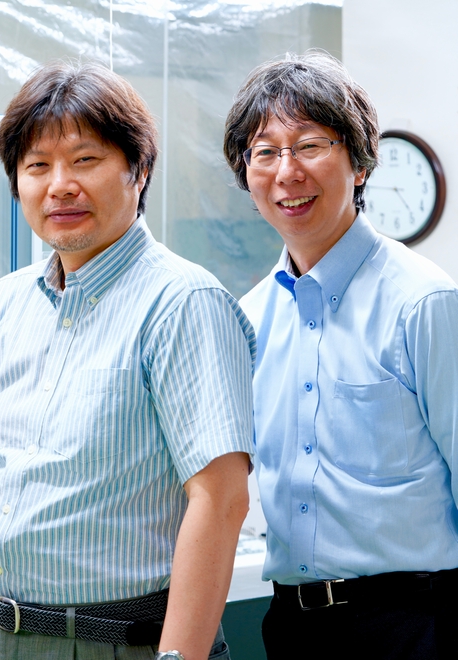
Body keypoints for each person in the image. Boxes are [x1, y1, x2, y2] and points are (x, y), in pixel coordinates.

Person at [0, 60, 255, 660]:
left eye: (85, 160)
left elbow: (220, 501)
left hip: (121, 644)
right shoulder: (3, 305)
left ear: (138, 170)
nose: (59, 185)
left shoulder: (183, 304)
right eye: (37, 166)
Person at [224, 51, 458, 659]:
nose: (286, 171)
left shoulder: (426, 303)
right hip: (294, 626)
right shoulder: (248, 319)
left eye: (308, 144)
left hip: (415, 625)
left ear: (358, 163)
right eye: (264, 152)